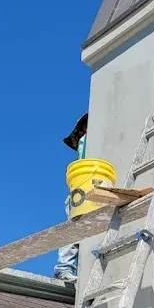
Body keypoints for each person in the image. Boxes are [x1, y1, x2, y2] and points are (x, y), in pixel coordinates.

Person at [54, 113, 88, 284]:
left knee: (81, 233)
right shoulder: (87, 141)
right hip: (82, 193)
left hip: (83, 192)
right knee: (75, 230)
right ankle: (64, 268)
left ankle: (68, 268)